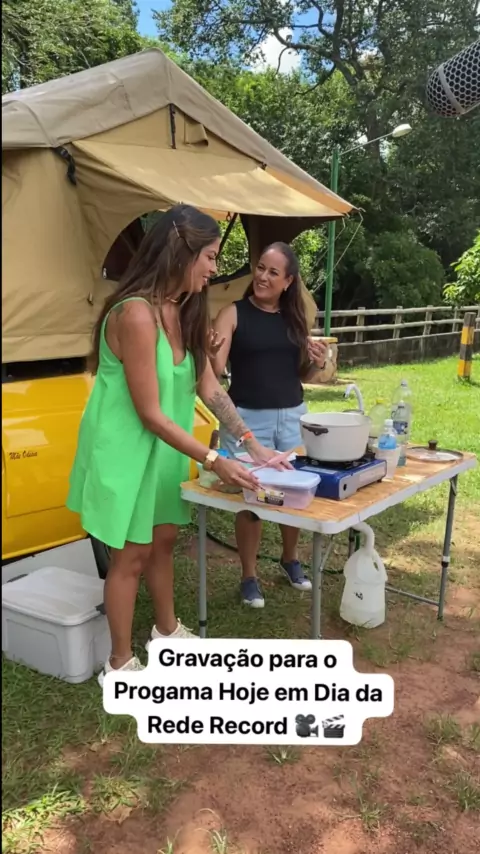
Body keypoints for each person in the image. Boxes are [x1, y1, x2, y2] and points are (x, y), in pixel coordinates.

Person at [66, 205, 289, 685]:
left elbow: (209, 387)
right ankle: (119, 663)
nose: (214, 268)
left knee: (164, 540)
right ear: (179, 251)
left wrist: (253, 446)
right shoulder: (135, 314)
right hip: (126, 450)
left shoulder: (184, 310)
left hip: (166, 450)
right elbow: (149, 412)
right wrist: (213, 459)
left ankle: (166, 633)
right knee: (131, 555)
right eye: (209, 257)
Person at [210, 242, 329, 609]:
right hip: (247, 419)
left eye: (273, 272)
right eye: (260, 268)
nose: (262, 276)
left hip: (292, 417)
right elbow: (214, 373)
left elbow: (302, 373)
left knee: (293, 492)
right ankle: (249, 576)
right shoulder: (233, 313)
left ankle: (290, 558)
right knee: (253, 497)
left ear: (288, 281)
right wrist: (211, 352)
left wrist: (318, 361)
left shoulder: (295, 318)